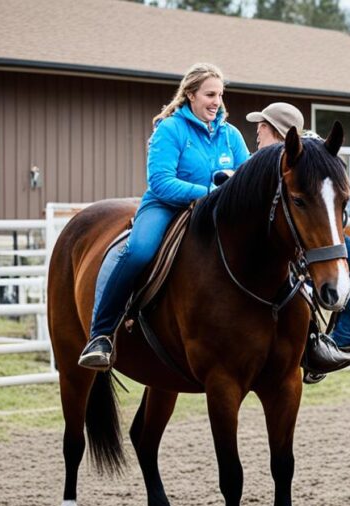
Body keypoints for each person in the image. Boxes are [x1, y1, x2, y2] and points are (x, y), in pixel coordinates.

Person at [79, 63, 249, 368]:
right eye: (210, 94)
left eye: (220, 95)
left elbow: (246, 178)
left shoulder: (231, 135)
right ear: (191, 95)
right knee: (139, 252)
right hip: (166, 206)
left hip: (219, 212)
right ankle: (101, 334)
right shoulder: (170, 130)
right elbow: (160, 181)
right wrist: (208, 192)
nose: (216, 102)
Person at [246, 102, 350, 382]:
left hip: (316, 234)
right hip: (280, 240)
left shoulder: (310, 159)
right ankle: (307, 346)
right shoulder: (259, 163)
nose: (257, 133)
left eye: (262, 127)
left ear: (278, 133)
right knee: (296, 289)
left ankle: (344, 339)